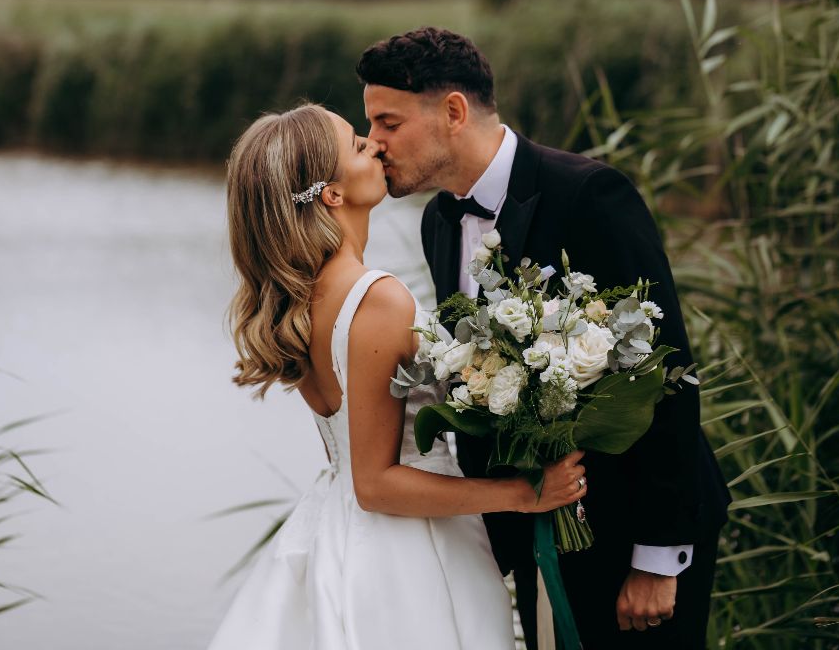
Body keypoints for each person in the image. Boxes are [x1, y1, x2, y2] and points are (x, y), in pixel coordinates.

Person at [358, 26, 732, 648]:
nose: (374, 144)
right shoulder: (440, 222)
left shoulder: (590, 195)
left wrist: (658, 557)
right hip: (533, 527)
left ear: (453, 111)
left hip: (628, 529)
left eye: (387, 123)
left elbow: (668, 372)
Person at [207, 103, 587, 649]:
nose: (376, 145)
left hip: (337, 531)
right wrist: (525, 493)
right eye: (358, 145)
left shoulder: (303, 298)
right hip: (406, 553)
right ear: (332, 194)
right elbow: (376, 483)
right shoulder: (374, 299)